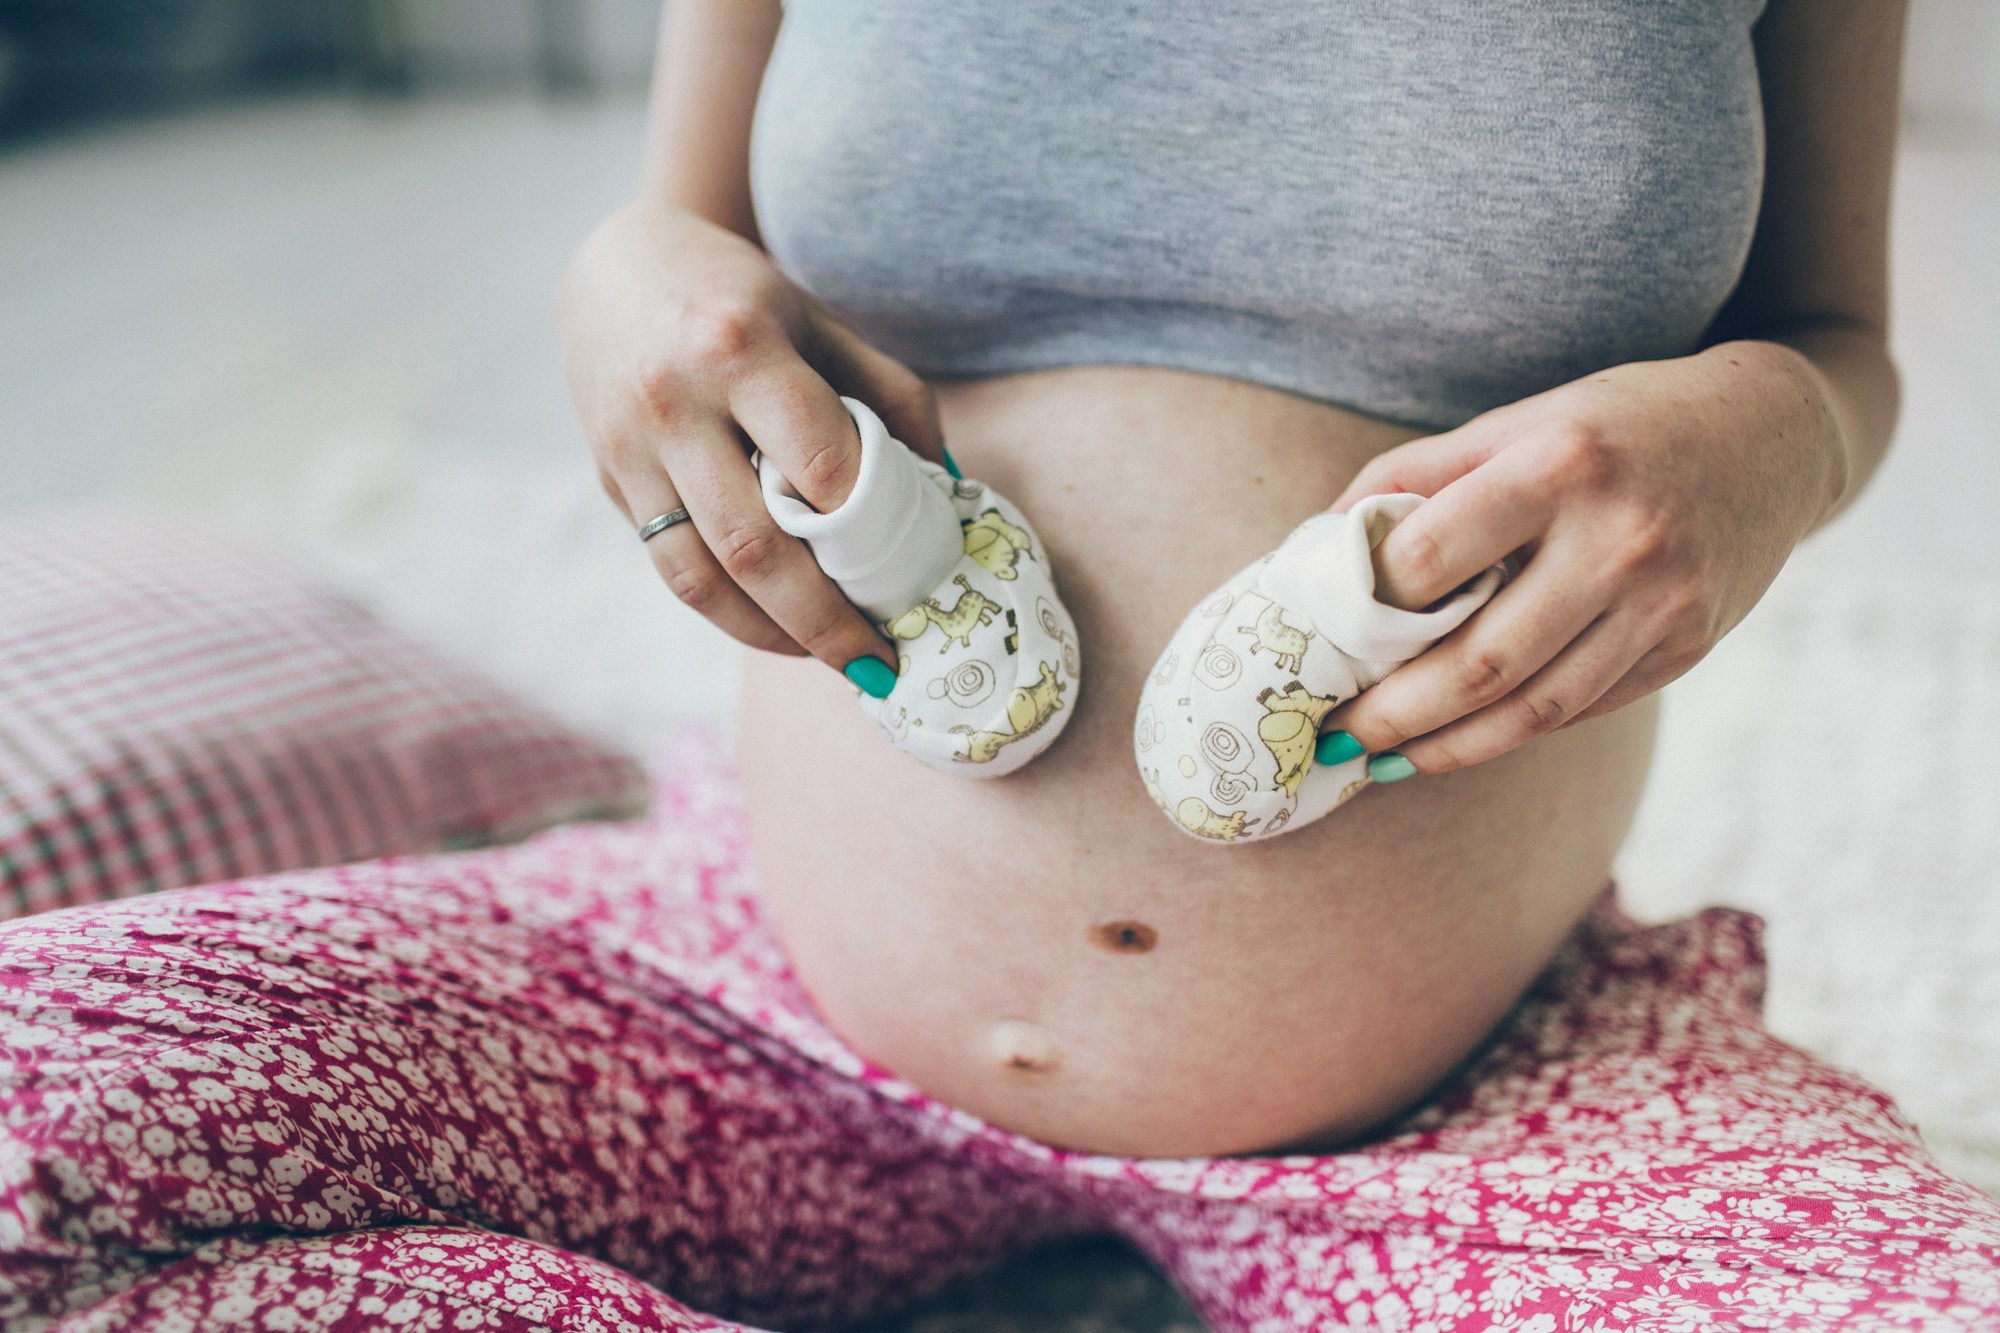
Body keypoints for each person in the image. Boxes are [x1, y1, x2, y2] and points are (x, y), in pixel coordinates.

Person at [2, 3, 1996, 1330]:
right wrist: (630, 293)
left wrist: (1768, 435)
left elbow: (1835, 339)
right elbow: (668, 232)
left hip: (1491, 1092)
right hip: (741, 985)